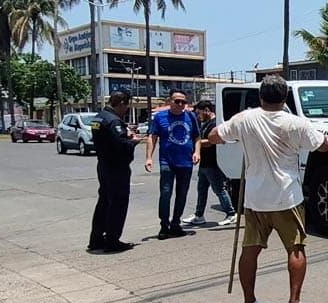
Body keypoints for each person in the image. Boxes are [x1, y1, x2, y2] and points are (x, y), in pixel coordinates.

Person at [208, 75, 328, 303]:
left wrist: (240, 137)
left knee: (249, 250)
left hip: (255, 198)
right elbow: (323, 146)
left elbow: (213, 136)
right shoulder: (296, 123)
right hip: (287, 197)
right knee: (295, 248)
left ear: (260, 96)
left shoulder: (245, 118)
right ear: (285, 97)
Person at [88, 90, 141, 253]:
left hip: (104, 165)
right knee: (117, 203)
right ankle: (112, 240)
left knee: (104, 202)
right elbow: (121, 144)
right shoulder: (114, 121)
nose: (126, 110)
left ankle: (96, 239)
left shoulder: (99, 117)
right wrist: (134, 141)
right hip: (116, 167)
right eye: (127, 106)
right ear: (122, 103)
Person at [145, 89, 201, 240]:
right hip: (167, 162)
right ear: (170, 101)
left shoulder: (190, 116)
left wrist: (197, 152)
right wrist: (149, 157)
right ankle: (164, 225)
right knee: (166, 193)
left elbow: (197, 137)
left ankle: (175, 224)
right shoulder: (160, 117)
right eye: (177, 101)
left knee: (182, 194)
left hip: (186, 162)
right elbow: (152, 137)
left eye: (184, 101)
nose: (181, 104)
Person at [181, 100, 236, 226]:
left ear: (206, 110)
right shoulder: (205, 124)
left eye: (199, 113)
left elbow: (212, 141)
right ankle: (199, 215)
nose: (198, 116)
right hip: (204, 163)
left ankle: (231, 213)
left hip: (213, 162)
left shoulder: (215, 124)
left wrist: (197, 143)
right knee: (201, 189)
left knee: (219, 189)